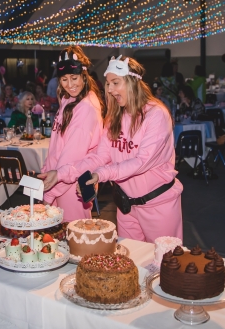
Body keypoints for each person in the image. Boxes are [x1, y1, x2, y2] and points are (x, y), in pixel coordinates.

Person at [40, 55, 183, 243]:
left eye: (116, 83)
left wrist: (100, 174)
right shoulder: (115, 117)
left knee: (165, 265)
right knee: (131, 263)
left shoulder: (155, 114)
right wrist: (60, 174)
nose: (110, 89)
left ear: (133, 81)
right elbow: (100, 157)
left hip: (157, 205)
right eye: (108, 84)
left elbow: (140, 162)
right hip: (125, 206)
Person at [35, 46, 104, 221]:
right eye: (64, 79)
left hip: (71, 186)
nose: (70, 84)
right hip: (57, 181)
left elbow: (72, 156)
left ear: (84, 76)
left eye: (74, 78)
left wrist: (49, 193)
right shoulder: (68, 99)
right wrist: (46, 171)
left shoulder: (86, 107)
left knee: (74, 239)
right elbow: (56, 145)